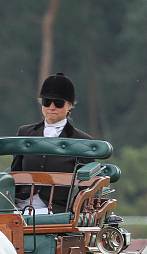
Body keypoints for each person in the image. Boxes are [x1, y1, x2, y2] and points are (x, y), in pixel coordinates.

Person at [10, 72, 93, 215]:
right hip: (22, 203)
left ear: (69, 106)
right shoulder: (25, 132)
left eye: (58, 103)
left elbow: (86, 186)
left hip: (56, 208)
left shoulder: (82, 141)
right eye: (47, 102)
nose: (51, 107)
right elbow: (15, 170)